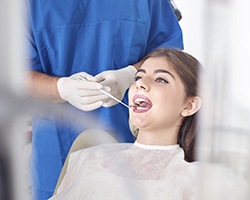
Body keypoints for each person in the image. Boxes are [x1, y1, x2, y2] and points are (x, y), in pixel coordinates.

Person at [25, 0, 183, 199]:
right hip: (57, 146)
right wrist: (61, 88)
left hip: (132, 138)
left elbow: (172, 55)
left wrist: (130, 74)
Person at [49, 48, 202, 199]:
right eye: (138, 78)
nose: (140, 84)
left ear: (189, 106)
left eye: (161, 79)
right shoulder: (91, 159)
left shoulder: (199, 180)